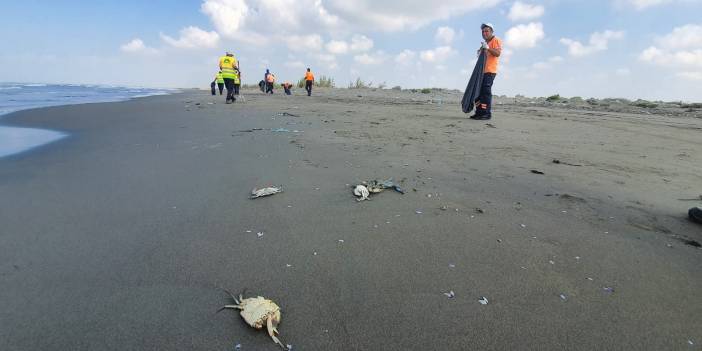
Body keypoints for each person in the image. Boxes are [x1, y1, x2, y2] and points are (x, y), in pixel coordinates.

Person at [470, 23, 502, 120]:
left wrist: (488, 48)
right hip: (481, 72)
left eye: (487, 31)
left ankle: (486, 113)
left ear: (491, 31)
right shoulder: (484, 43)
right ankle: (479, 112)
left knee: (485, 93)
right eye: (483, 31)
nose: (484, 33)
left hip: (490, 71)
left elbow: (497, 53)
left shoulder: (496, 40)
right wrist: (480, 51)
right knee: (477, 93)